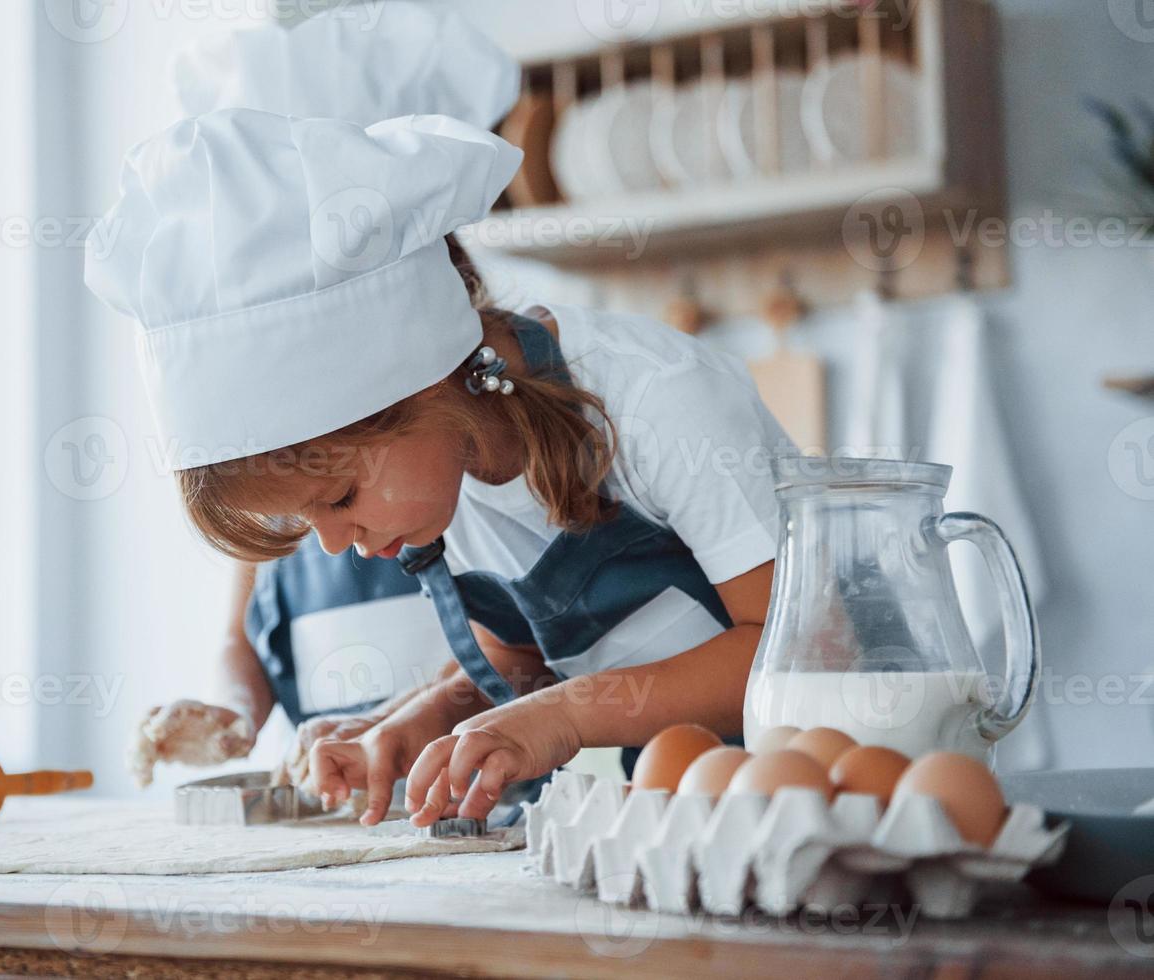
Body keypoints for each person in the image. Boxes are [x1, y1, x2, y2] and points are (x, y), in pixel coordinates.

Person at [87, 104, 790, 833]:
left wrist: (564, 717)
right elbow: (521, 652)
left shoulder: (660, 400)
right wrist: (411, 723)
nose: (333, 543)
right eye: (306, 520)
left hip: (839, 794)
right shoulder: (450, 464)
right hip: (708, 814)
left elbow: (789, 650)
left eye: (340, 496)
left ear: (420, 384)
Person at [125, 1, 522, 789]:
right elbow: (240, 637)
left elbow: (515, 652)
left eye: (339, 496)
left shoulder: (460, 452)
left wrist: (399, 722)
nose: (334, 531)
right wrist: (233, 714)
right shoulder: (288, 471)